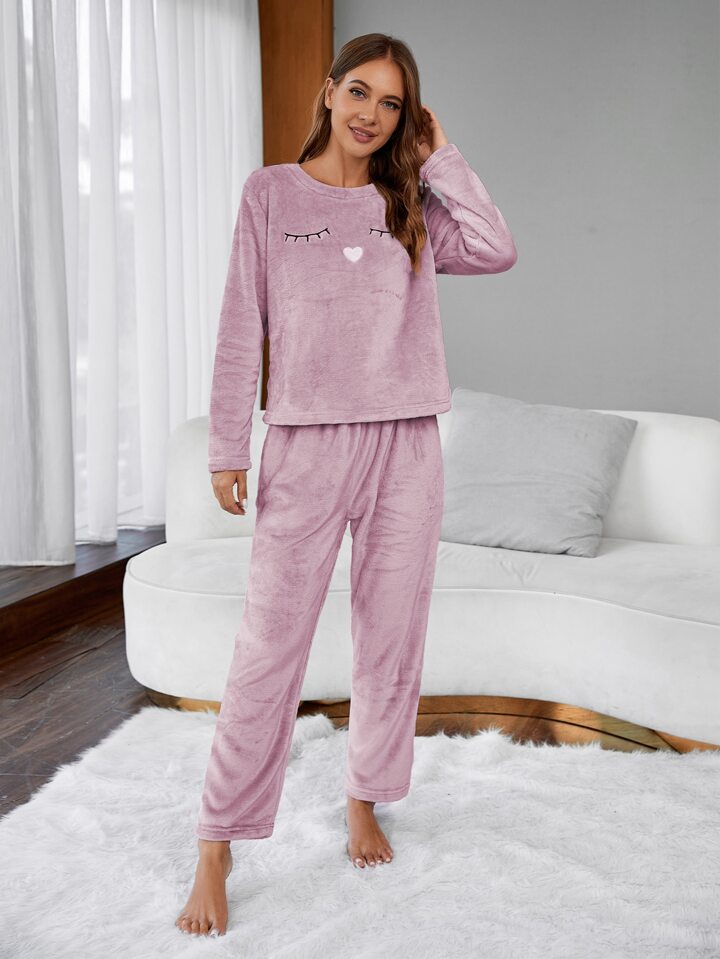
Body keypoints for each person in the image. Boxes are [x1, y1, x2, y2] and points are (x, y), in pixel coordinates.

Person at [175, 31, 517, 938]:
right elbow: (240, 323)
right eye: (359, 91)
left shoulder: (411, 203)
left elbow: (497, 247)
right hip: (305, 445)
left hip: (407, 443)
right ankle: (216, 839)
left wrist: (441, 154)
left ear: (408, 117)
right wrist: (227, 446)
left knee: (390, 640)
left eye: (392, 103)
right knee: (268, 647)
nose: (371, 114)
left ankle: (365, 796)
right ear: (328, 92)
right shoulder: (270, 194)